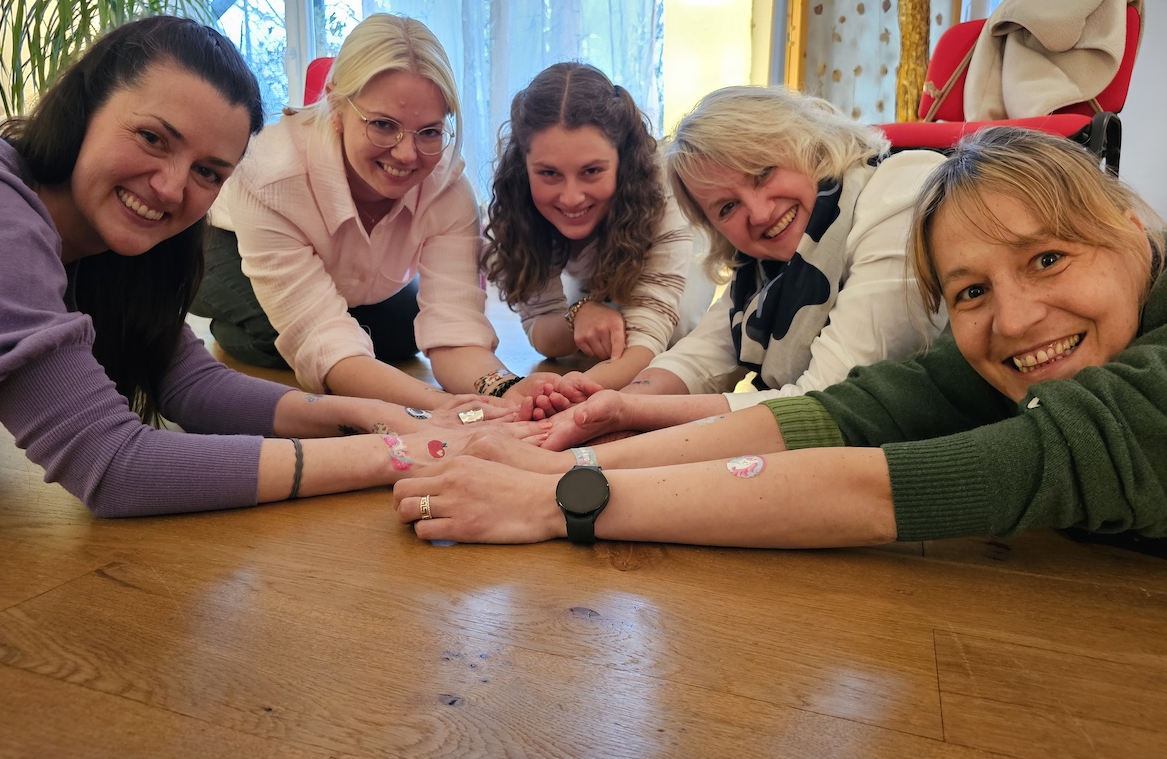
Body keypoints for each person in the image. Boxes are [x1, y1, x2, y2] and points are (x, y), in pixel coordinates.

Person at [394, 127, 1167, 548]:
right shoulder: (763, 277)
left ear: (1131, 227)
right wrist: (583, 442)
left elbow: (879, 485)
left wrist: (557, 499)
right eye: (972, 292)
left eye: (1048, 259)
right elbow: (836, 415)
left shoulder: (894, 197)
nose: (1017, 319)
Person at [0, 15, 537, 519]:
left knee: (393, 328)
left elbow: (191, 384)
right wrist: (407, 450)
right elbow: (116, 465)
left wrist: (395, 414)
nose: (171, 188)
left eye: (208, 172)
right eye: (151, 138)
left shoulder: (119, 251)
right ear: (85, 105)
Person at [537, 85, 948, 449]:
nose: (759, 213)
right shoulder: (761, 267)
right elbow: (700, 359)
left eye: (763, 173)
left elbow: (826, 401)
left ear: (807, 143)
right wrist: (595, 402)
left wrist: (630, 411)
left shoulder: (897, 191)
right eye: (727, 207)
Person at [192, 14, 570, 410]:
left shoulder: (448, 188)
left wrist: (505, 389)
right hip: (223, 245)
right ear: (336, 104)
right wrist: (446, 409)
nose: (407, 154)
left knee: (403, 336)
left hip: (346, 274)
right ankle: (236, 326)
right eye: (383, 125)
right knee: (282, 338)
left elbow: (455, 331)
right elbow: (324, 341)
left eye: (429, 131)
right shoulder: (269, 175)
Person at [482, 62, 714, 391]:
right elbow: (542, 332)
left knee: (676, 330)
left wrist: (565, 396)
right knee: (595, 329)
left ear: (623, 162)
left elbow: (647, 338)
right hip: (598, 271)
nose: (571, 198)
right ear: (524, 168)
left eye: (591, 171)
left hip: (675, 255)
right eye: (549, 173)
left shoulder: (662, 190)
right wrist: (579, 314)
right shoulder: (518, 199)